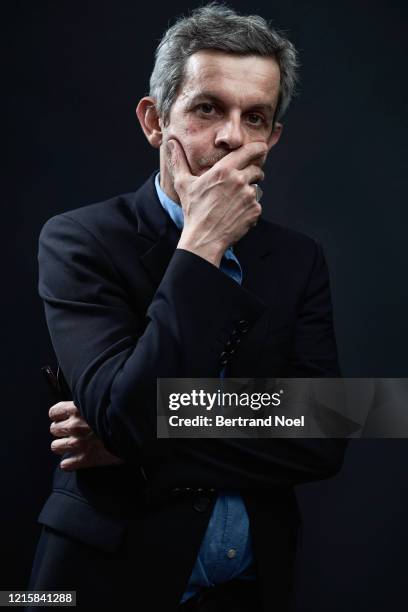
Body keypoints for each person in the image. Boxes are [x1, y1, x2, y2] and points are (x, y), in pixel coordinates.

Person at [28, 4, 347, 611]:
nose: (231, 135)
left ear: (272, 138)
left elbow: (329, 432)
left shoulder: (300, 258)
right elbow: (131, 417)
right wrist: (202, 244)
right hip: (105, 582)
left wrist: (142, 446)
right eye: (207, 108)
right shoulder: (78, 240)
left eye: (255, 117)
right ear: (154, 120)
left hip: (252, 587)